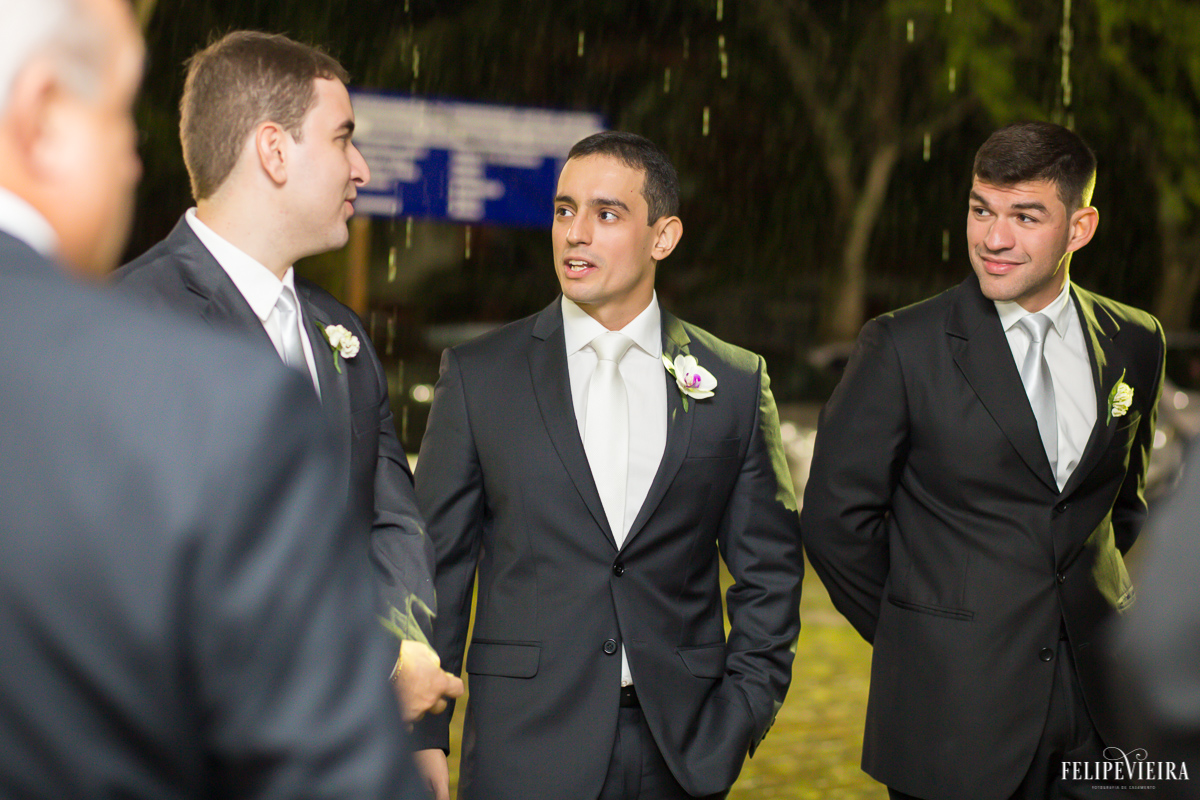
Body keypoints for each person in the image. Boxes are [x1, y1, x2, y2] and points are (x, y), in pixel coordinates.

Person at [0, 0, 420, 796]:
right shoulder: (169, 374)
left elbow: (392, 520)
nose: (133, 161)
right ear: (41, 114)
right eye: (119, 113)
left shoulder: (342, 337)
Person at [410, 131, 805, 800]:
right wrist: (422, 737)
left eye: (607, 214)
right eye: (564, 211)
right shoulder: (481, 377)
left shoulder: (734, 383)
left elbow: (771, 573)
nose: (575, 234)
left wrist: (735, 721)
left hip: (680, 756)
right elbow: (433, 573)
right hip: (523, 750)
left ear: (664, 236)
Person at [802, 120, 1165, 800]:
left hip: (1101, 712)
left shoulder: (1136, 340)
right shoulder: (901, 346)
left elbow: (1123, 508)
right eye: (981, 209)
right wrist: (928, 639)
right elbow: (834, 522)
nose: (993, 239)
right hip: (953, 716)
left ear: (1080, 227)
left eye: (1025, 216)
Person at [111, 31, 461, 722]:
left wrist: (410, 673)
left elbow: (392, 520)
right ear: (273, 151)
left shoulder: (344, 336)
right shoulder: (129, 324)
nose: (360, 167)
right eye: (342, 139)